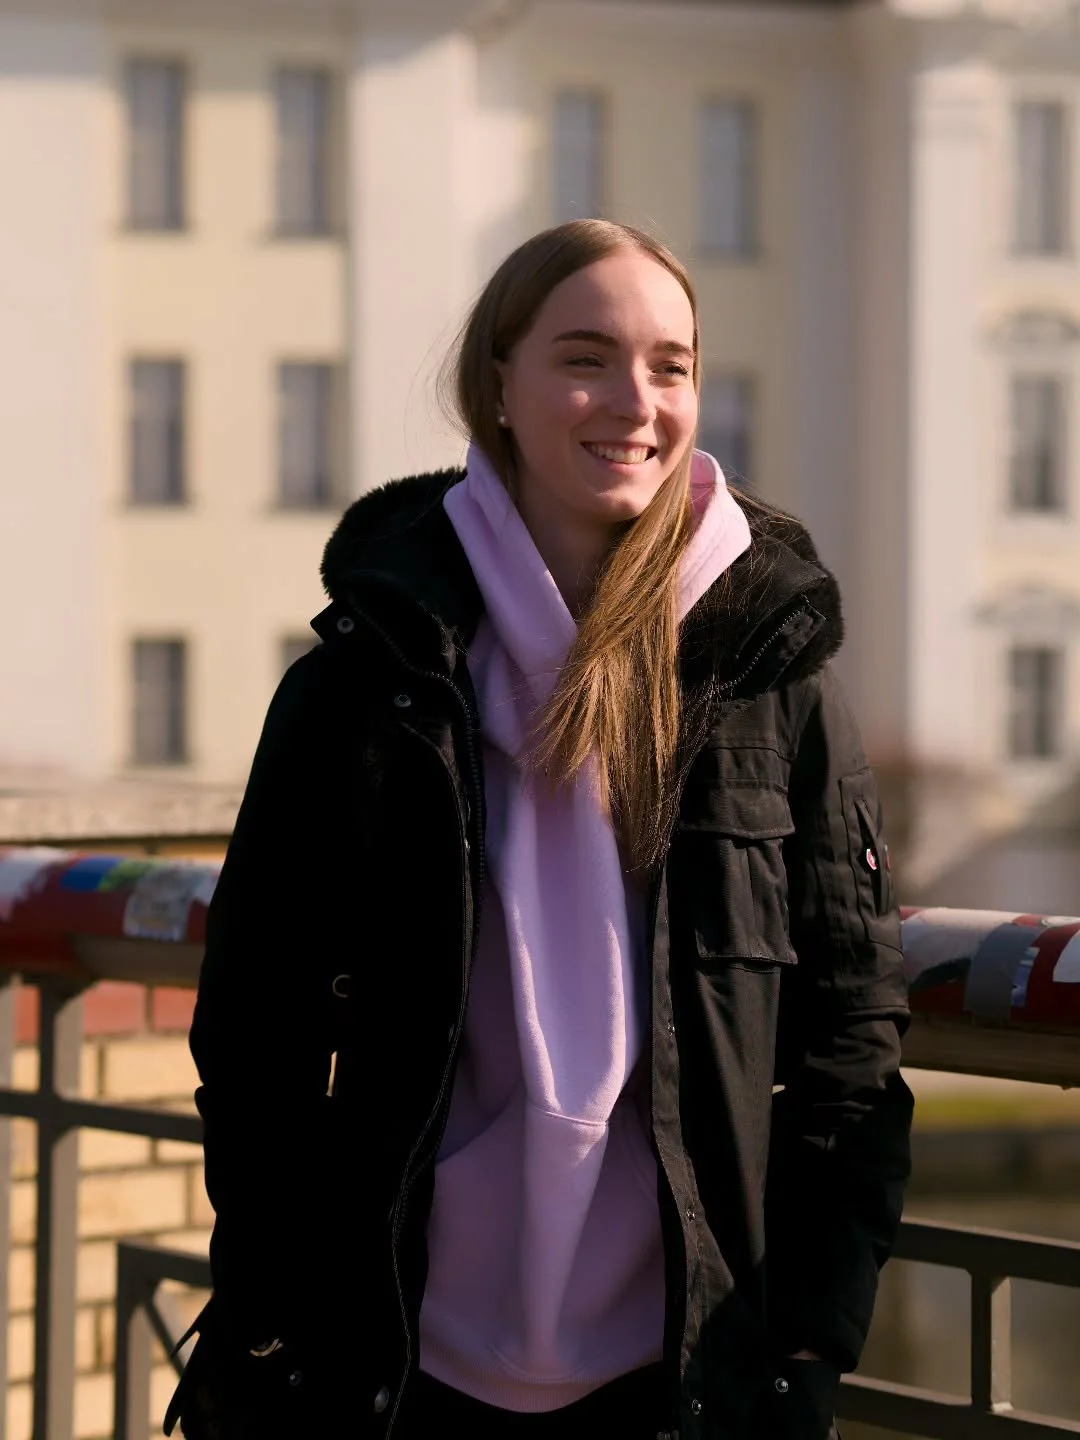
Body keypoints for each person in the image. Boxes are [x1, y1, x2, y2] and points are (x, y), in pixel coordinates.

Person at [166, 219, 913, 1440]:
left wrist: (802, 1354)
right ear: (498, 387)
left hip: (682, 1380)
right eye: (587, 357)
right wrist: (270, 1316)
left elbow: (851, 1050)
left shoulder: (771, 678)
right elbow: (258, 1033)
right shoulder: (363, 683)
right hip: (395, 1367)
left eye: (671, 366)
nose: (637, 400)